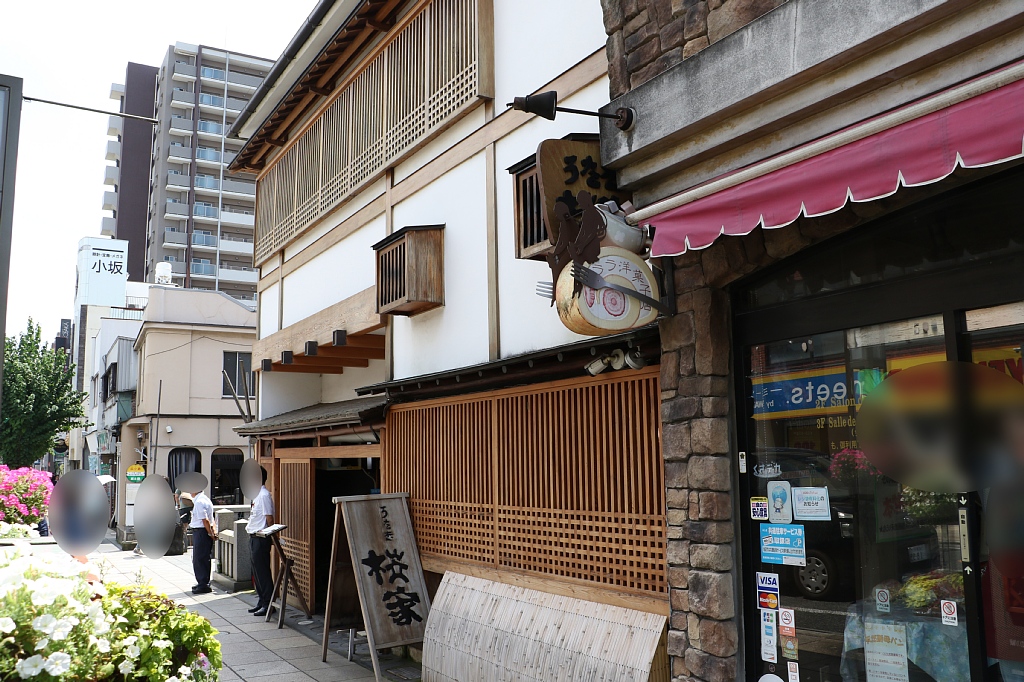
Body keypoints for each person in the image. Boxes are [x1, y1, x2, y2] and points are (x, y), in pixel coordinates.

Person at [246, 467, 275, 616]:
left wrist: (272, 537)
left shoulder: (264, 495)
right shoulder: (257, 495)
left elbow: (269, 518)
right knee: (256, 572)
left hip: (261, 537)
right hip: (254, 536)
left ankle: (268, 603)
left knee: (262, 572)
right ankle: (261, 600)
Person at [188, 484, 217, 594]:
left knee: (199, 558)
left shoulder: (200, 502)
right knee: (203, 557)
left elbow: (205, 520)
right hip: (203, 531)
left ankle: (203, 583)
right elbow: (211, 518)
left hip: (201, 531)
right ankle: (203, 582)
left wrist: (210, 533)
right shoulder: (205, 499)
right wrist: (212, 531)